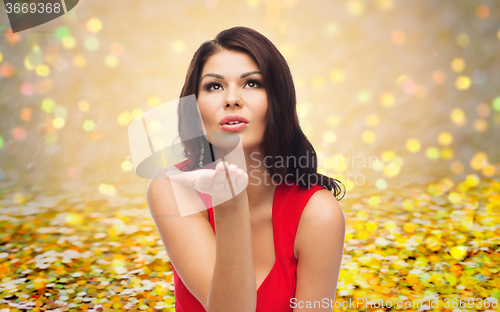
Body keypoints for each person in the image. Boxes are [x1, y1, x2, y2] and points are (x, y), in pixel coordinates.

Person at [146, 26, 346, 312]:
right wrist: (231, 200)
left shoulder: (318, 214)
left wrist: (231, 197)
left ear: (278, 100)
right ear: (195, 107)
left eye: (251, 83)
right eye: (214, 86)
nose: (231, 99)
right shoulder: (172, 189)